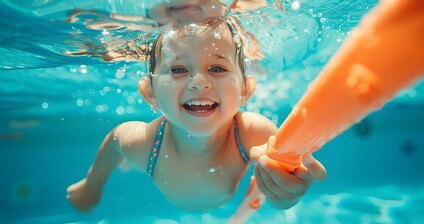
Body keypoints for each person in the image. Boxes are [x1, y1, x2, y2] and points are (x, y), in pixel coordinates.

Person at [67, 18, 326, 212]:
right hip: (153, 160)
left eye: (217, 67)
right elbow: (114, 142)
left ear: (245, 89)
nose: (199, 82)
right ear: (151, 93)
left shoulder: (253, 133)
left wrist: (287, 194)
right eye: (178, 68)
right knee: (126, 157)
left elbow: (279, 194)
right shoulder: (143, 143)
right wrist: (91, 185)